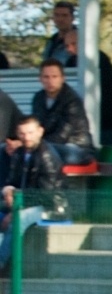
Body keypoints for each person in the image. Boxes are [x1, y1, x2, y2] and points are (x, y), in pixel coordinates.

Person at [0, 116, 69, 271]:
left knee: (18, 219)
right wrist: (8, 191)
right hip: (23, 201)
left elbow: (46, 195)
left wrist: (17, 208)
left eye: (30, 133)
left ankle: (2, 262)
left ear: (40, 132)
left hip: (50, 207)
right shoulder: (19, 154)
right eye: (23, 134)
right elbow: (11, 180)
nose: (27, 138)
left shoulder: (47, 157)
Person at [61, 27, 112, 149]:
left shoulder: (98, 59)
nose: (69, 49)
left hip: (109, 119)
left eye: (73, 44)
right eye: (66, 46)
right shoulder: (71, 62)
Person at [32, 60, 95, 165]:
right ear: (40, 79)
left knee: (59, 155)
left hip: (76, 148)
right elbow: (36, 125)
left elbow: (62, 135)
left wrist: (37, 145)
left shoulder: (72, 100)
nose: (50, 81)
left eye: (54, 76)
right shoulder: (38, 98)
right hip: (47, 145)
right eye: (46, 77)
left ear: (63, 78)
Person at [42, 1, 75, 66]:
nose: (60, 19)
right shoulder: (51, 41)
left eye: (64, 15)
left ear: (72, 18)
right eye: (57, 15)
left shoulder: (79, 40)